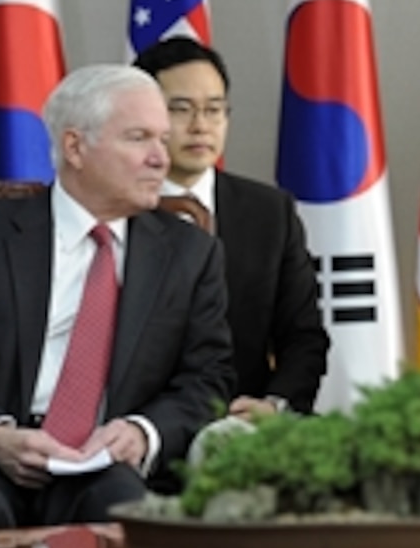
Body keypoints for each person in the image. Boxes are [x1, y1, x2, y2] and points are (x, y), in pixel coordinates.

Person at [0, 64, 235, 536]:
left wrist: (143, 432)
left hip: (100, 464)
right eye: (139, 138)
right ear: (74, 147)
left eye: (162, 140)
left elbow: (209, 377)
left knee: (126, 511)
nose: (160, 159)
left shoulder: (190, 254)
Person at [133, 37, 328, 417]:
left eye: (214, 110)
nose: (200, 126)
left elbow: (303, 337)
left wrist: (274, 406)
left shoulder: (270, 213)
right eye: (181, 109)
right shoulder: (115, 209)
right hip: (135, 425)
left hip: (243, 418)